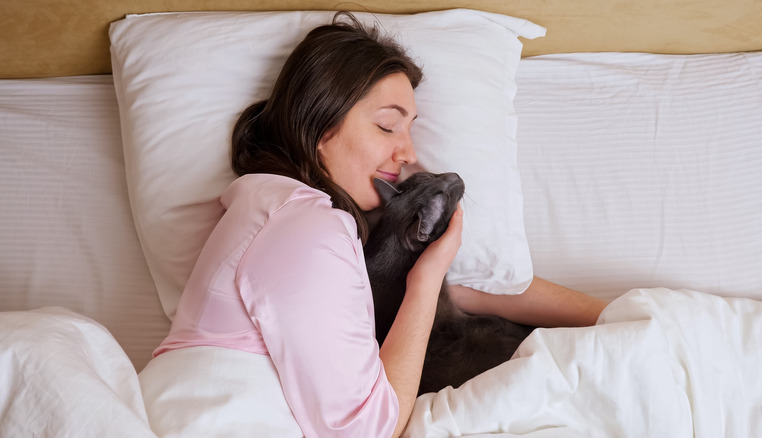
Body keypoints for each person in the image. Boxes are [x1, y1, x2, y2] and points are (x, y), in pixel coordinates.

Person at [144, 12, 607, 438]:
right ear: (322, 127)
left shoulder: (277, 205)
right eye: (388, 127)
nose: (407, 153)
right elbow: (365, 429)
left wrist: (607, 315)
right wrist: (425, 279)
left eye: (410, 131)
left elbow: (455, 292)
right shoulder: (305, 228)